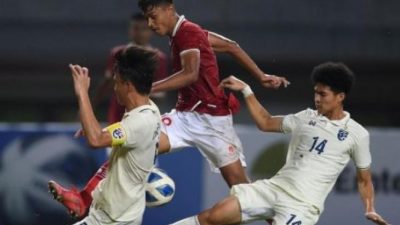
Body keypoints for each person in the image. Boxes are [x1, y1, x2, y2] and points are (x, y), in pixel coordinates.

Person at [48, 0, 290, 218]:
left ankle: (278, 220)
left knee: (241, 188)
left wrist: (145, 87)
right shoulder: (186, 34)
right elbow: (231, 45)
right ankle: (83, 199)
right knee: (130, 146)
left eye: (154, 16)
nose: (151, 24)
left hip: (214, 121)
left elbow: (190, 73)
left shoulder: (188, 33)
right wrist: (262, 74)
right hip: (185, 117)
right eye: (147, 18)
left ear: (170, 9)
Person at [170, 62, 390, 225]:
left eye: (323, 94)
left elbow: (364, 180)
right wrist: (247, 90)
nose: (317, 99)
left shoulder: (357, 134)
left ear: (340, 96)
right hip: (273, 189)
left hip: (302, 205)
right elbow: (265, 123)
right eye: (315, 93)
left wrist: (369, 209)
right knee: (213, 217)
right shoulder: (306, 117)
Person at [50, 46, 162, 225]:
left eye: (116, 82)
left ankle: (82, 199)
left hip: (112, 218)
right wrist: (100, 131)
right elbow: (126, 138)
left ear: (128, 85)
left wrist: (82, 93)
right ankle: (82, 198)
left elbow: (95, 140)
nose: (114, 88)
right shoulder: (150, 111)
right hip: (123, 214)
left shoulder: (140, 122)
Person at [93, 13, 168, 124]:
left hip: (145, 115)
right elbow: (107, 83)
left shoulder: (158, 58)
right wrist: (92, 106)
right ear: (130, 31)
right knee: (116, 140)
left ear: (151, 31)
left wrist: (137, 93)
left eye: (144, 29)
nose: (140, 33)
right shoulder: (118, 53)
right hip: (118, 113)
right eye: (136, 28)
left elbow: (161, 93)